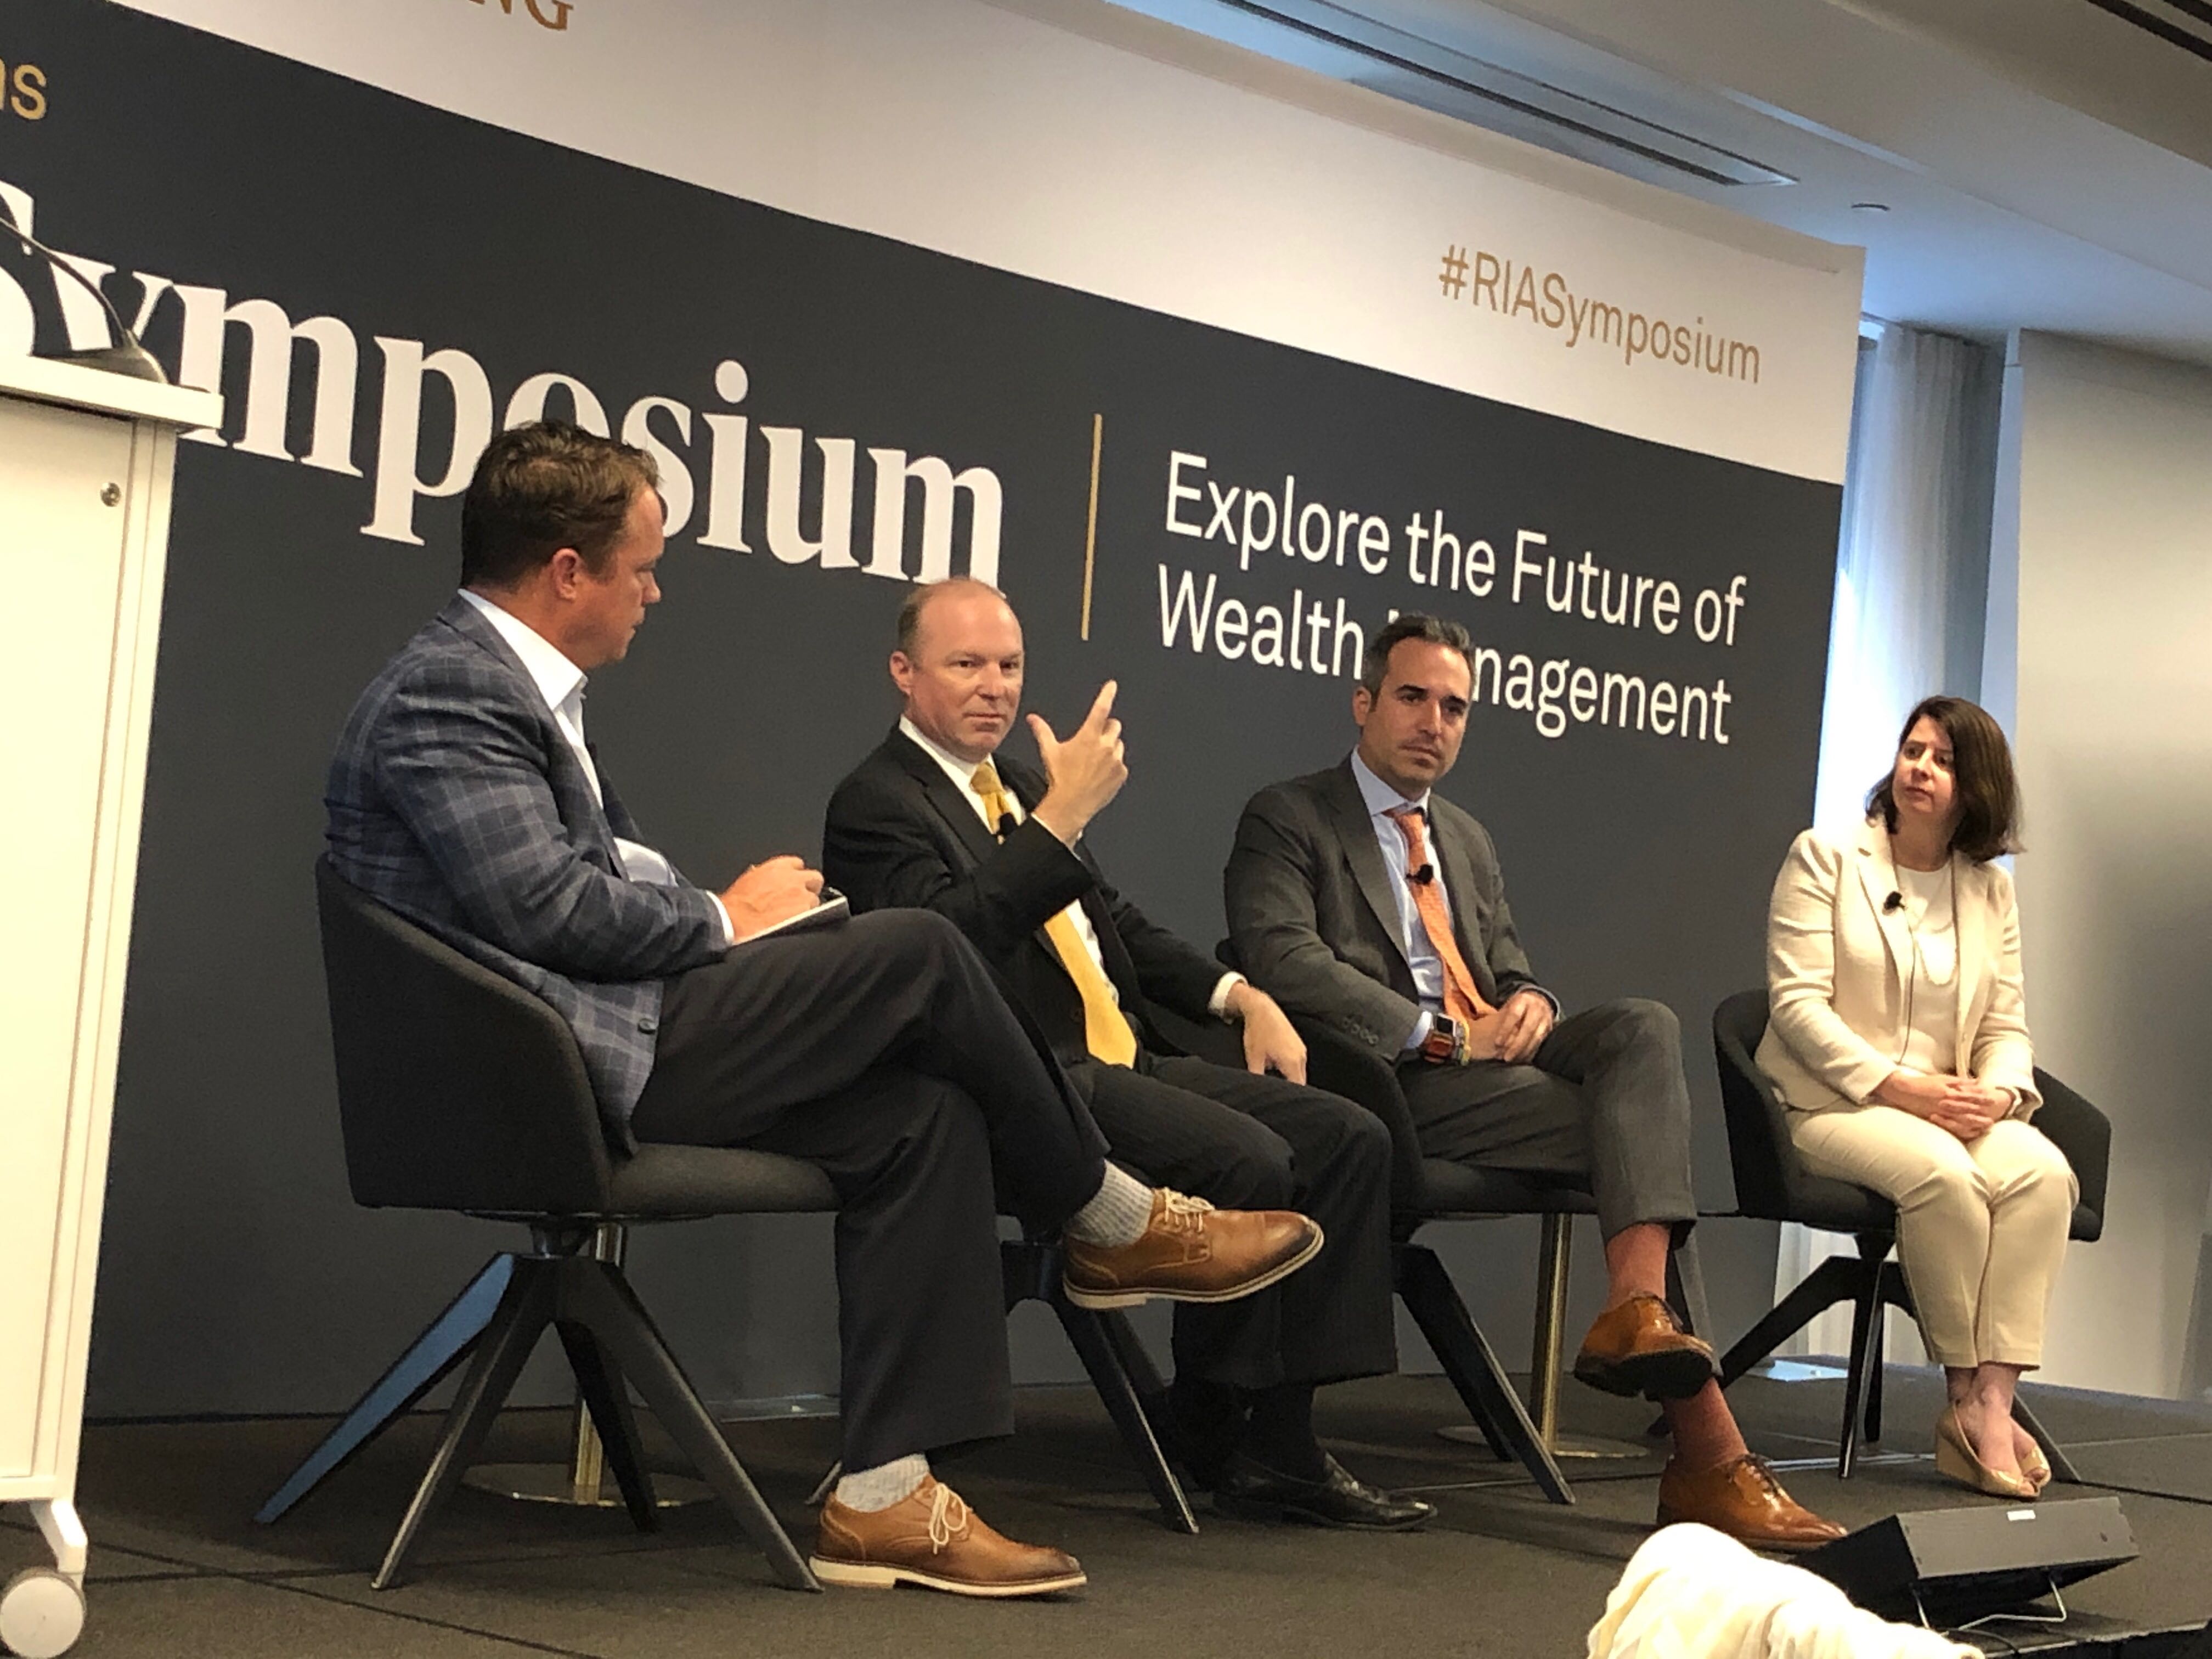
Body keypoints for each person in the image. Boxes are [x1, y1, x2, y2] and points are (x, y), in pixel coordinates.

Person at [324, 421, 1320, 1598]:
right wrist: (725, 918)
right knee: (921, 951)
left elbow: (582, 888)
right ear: (569, 572)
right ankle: (1105, 1215)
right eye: (643, 568)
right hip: (550, 1069)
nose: (654, 592)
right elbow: (545, 910)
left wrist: (733, 913)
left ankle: (885, 1495)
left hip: (624, 1027)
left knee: (921, 1114)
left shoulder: (516, 692)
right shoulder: (451, 690)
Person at [821, 578, 1429, 1531]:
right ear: (904, 672)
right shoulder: (877, 802)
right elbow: (942, 950)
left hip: (1129, 1057)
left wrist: (1241, 994)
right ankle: (1210, 1425)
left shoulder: (1021, 787)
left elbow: (1118, 928)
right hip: (1035, 1083)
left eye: (1010, 665)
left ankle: (1277, 1439)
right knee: (1253, 1160)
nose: (994, 686)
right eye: (966, 664)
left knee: (1349, 1139)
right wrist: (1058, 826)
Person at [1225, 612, 1843, 1549]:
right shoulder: (1290, 815)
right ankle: (1711, 1455)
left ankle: (1637, 1310)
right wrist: (1443, 1036)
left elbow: (1509, 967)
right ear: (1363, 703)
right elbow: (1283, 958)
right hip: (1395, 1081)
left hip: (1495, 1070)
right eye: (1413, 698)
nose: (1434, 722)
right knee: (1639, 1141)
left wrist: (1533, 1004)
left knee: (1643, 1028)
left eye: (1454, 708)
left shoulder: (1465, 837)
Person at [1758, 695, 2072, 1499]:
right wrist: (1903, 1088)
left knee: (2044, 1175)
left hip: (1950, 1105)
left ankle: (1991, 1399)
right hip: (1836, 1104)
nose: (1920, 769)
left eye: (1943, 760)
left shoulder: (1989, 891)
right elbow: (1797, 1009)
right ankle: (1964, 1399)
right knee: (1947, 1177)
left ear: (1977, 788)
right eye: (1913, 751)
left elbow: (2005, 1025)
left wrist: (1999, 1095)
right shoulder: (1826, 858)